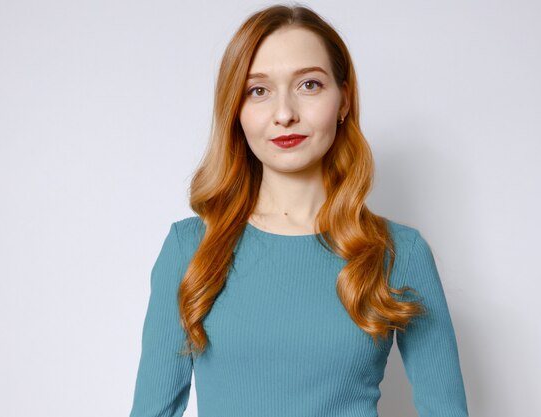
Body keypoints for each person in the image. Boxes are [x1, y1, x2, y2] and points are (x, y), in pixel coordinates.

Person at [129, 4, 469, 417]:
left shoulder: (399, 253)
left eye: (309, 85)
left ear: (343, 100)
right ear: (236, 111)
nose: (285, 113)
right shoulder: (189, 250)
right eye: (259, 90)